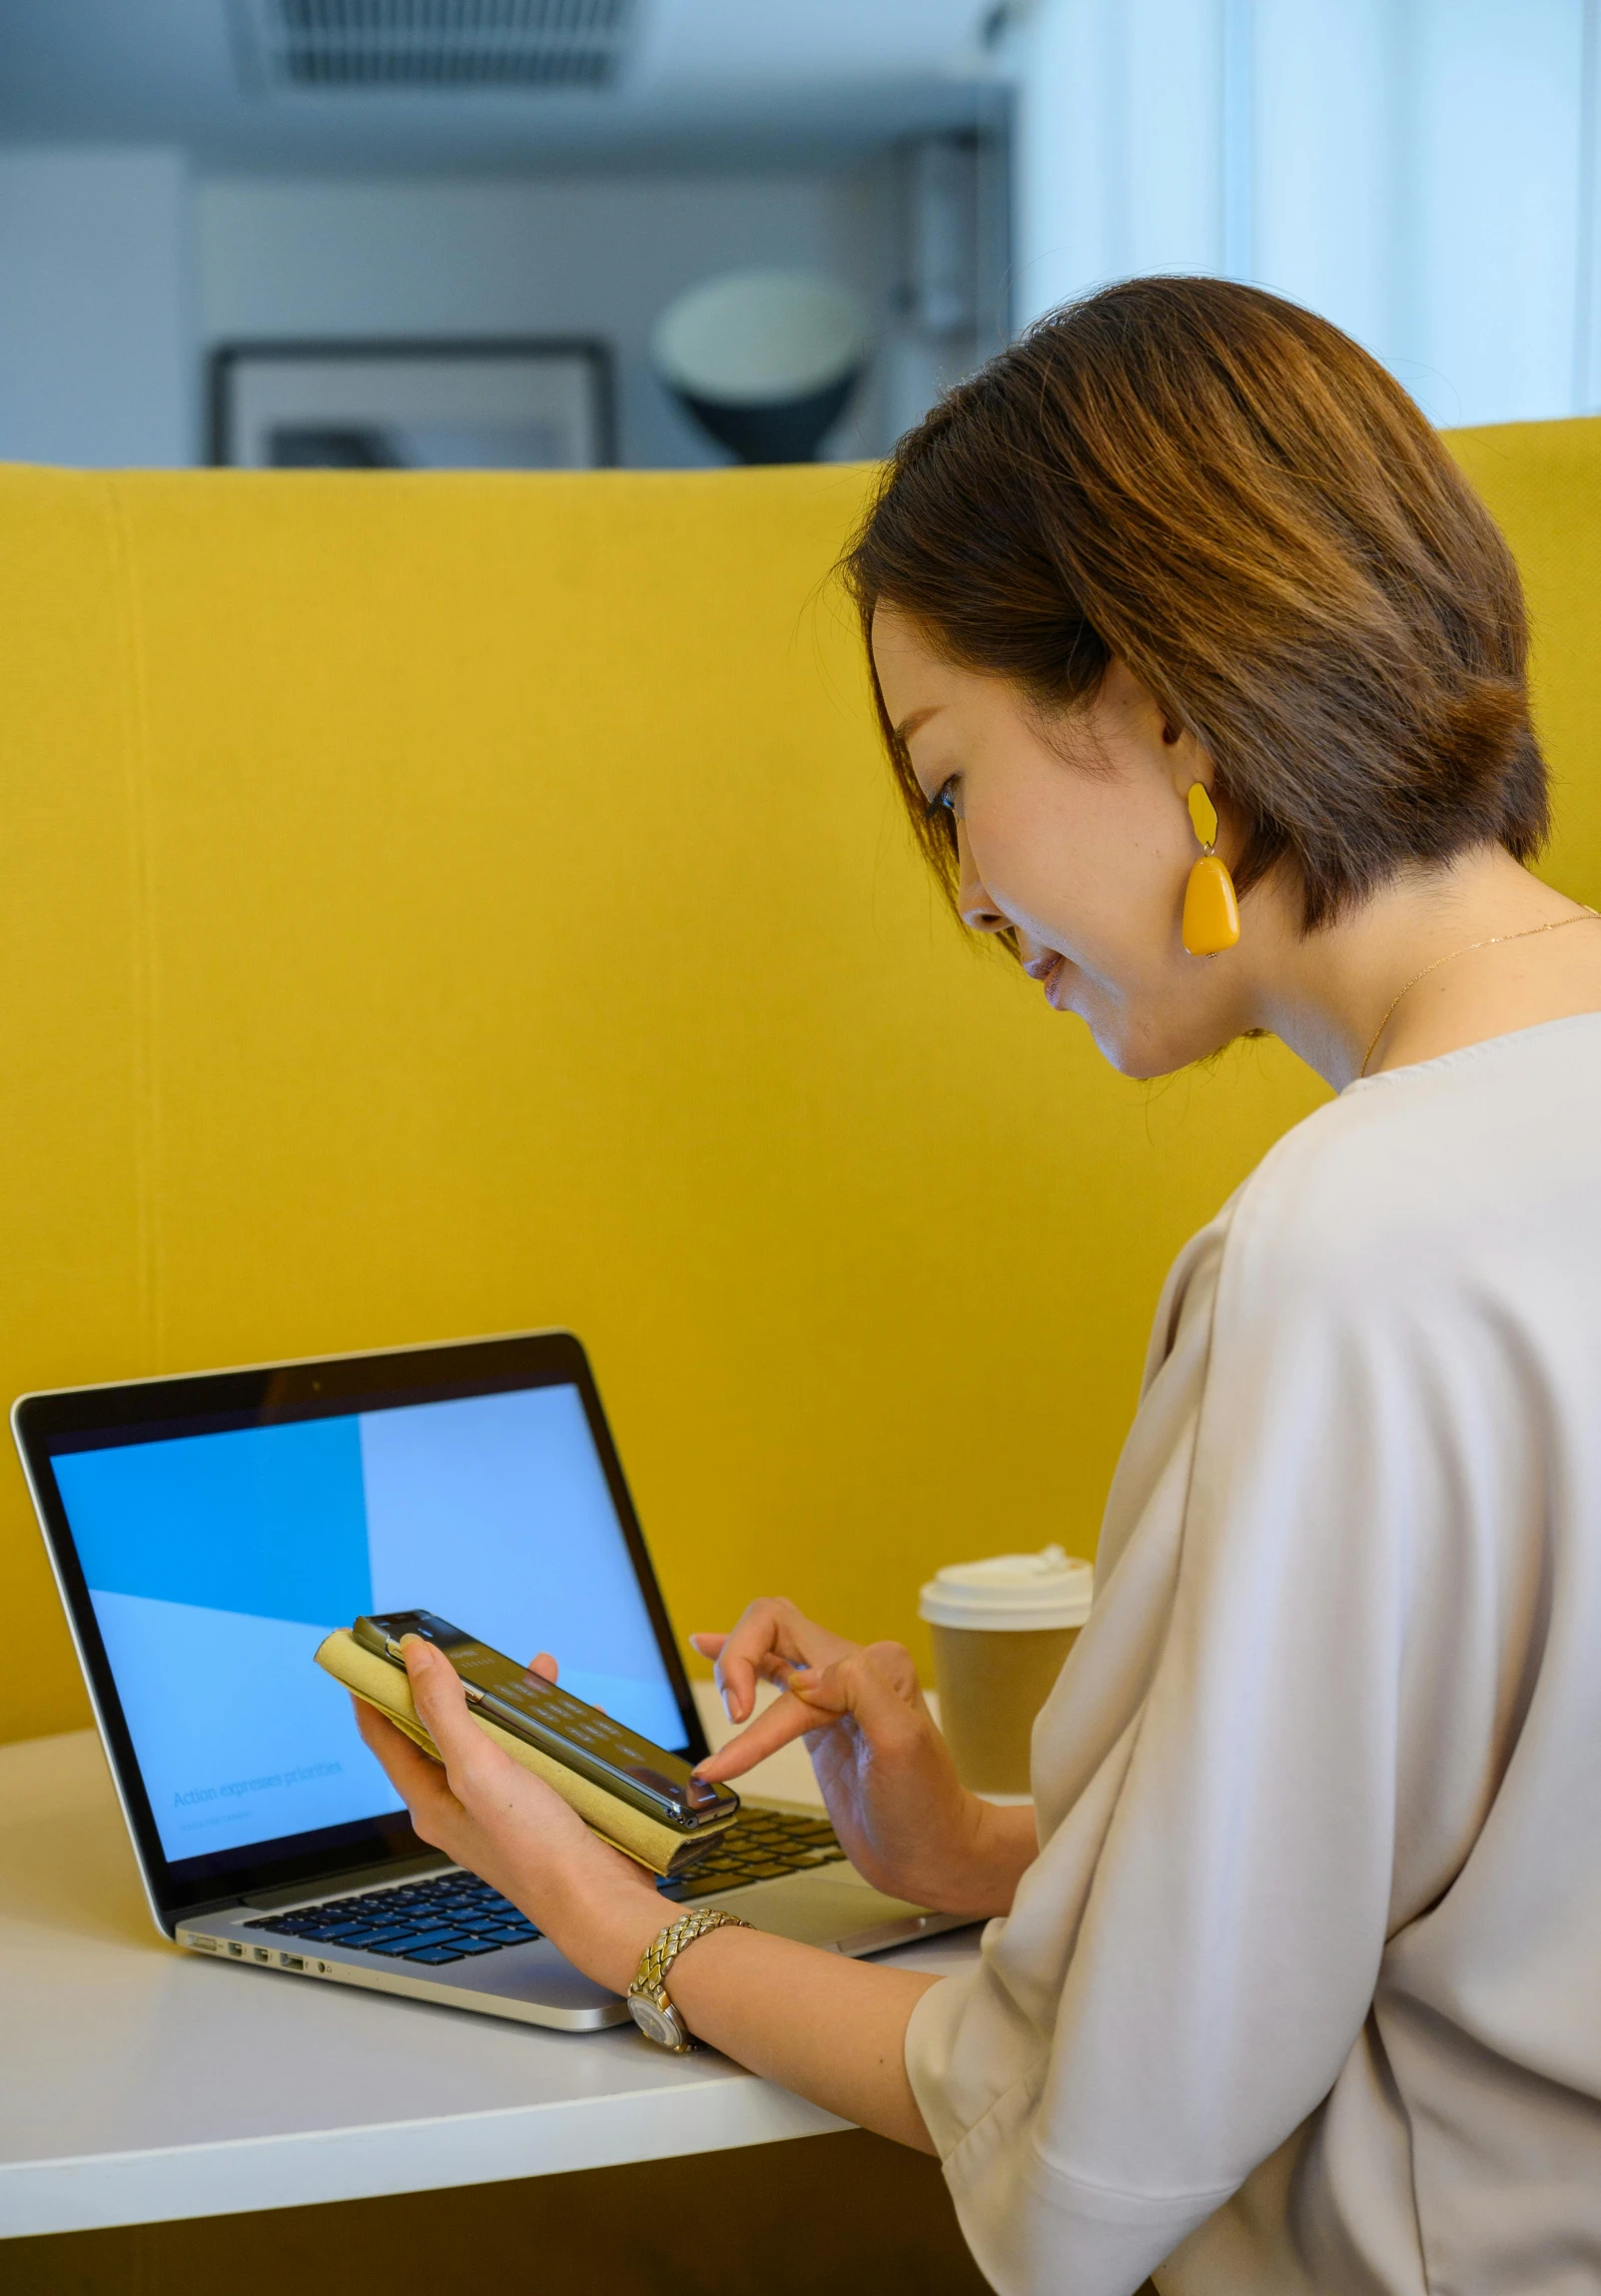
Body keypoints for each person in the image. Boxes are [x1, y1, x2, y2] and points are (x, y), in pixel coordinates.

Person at [354, 278, 1601, 2295]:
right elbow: (1475, 1887)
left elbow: (1093, 2140)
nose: (971, 902)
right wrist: (991, 1855)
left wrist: (616, 1922)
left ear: (1168, 703)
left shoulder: (1347, 1247)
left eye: (949, 787)